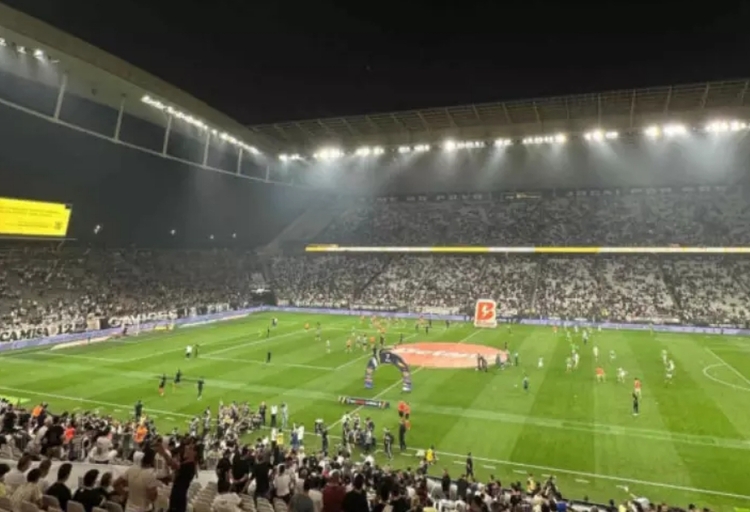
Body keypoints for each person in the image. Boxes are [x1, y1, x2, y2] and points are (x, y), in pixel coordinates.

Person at [114, 446, 159, 512]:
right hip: (143, 508)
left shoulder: (132, 469)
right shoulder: (151, 474)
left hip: (129, 507)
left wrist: (125, 493)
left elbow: (115, 484)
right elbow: (152, 497)